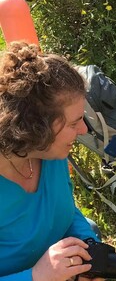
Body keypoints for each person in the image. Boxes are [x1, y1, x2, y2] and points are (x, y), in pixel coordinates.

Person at [0, 42, 105, 281]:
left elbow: (65, 212)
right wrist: (36, 276)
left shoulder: (50, 153)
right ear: (34, 128)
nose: (83, 129)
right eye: (73, 122)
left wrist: (89, 251)